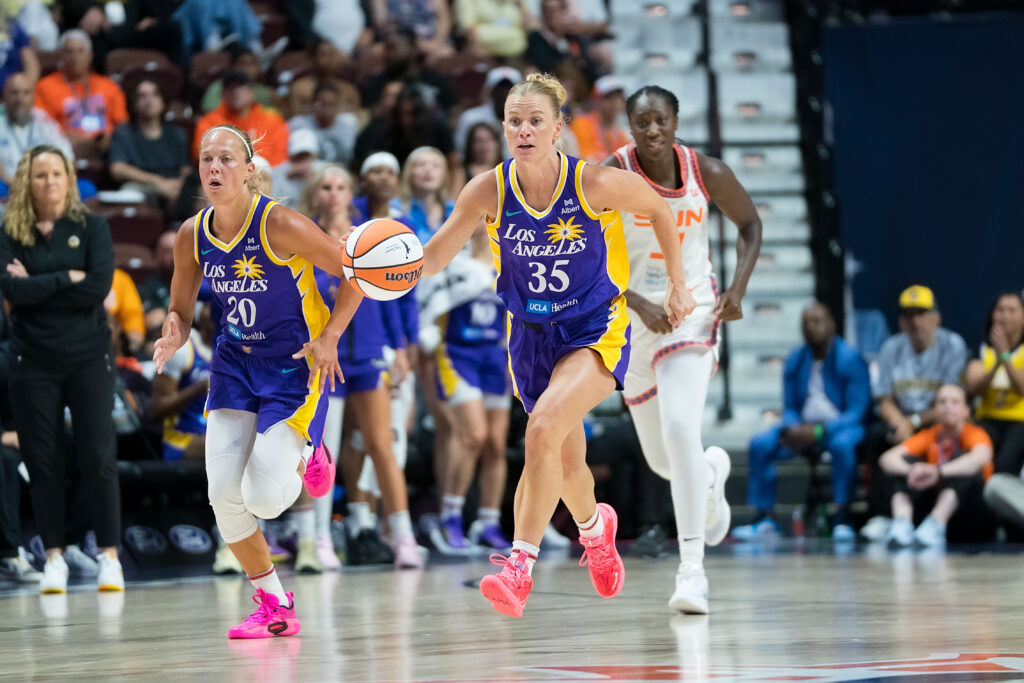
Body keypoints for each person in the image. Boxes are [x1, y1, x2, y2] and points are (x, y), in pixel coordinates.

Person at [417, 72, 693, 618]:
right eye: (514, 121)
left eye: (535, 121)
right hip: (530, 338)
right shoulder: (487, 189)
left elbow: (661, 209)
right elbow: (432, 259)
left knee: (540, 428)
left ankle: (519, 567)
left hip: (593, 329)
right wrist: (371, 265)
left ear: (557, 129)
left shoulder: (591, 182)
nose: (524, 130)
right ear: (502, 128)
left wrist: (677, 285)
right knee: (566, 466)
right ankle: (596, 530)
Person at [152, 124, 357, 639]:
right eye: (206, 160)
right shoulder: (190, 234)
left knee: (264, 499)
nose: (215, 168)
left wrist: (331, 335)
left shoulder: (282, 225)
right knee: (223, 492)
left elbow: (356, 272)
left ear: (249, 171)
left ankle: (314, 453)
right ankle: (273, 601)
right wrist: (174, 327)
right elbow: (179, 303)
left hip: (295, 367)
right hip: (234, 364)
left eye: (226, 159)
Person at [604, 84, 762, 613]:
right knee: (666, 459)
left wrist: (736, 290)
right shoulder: (611, 174)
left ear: (676, 121)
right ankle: (711, 475)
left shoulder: (706, 172)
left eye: (660, 120)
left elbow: (750, 226)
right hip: (632, 322)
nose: (652, 131)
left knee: (679, 430)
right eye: (642, 122)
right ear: (629, 127)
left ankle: (691, 571)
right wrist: (632, 300)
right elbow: (584, 254)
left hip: (690, 313)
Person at [0, 144, 123, 594]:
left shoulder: (93, 227)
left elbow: (97, 287)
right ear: (26, 183)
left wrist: (37, 285)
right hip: (32, 360)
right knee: (42, 459)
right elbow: (10, 288)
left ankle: (110, 556)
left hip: (89, 355)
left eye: (56, 173)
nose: (49, 181)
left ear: (68, 179)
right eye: (40, 175)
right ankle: (54, 555)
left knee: (97, 455)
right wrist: (62, 279)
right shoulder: (10, 233)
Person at [304, 163, 424, 570]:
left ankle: (404, 536)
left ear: (350, 190)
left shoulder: (370, 234)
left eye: (340, 186)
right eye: (326, 186)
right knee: (324, 450)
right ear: (316, 193)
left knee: (382, 445)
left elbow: (390, 291)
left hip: (370, 347)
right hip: (326, 354)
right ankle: (320, 538)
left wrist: (401, 347)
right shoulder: (306, 235)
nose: (334, 193)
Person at [732, 303, 870, 540]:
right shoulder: (795, 359)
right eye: (806, 322)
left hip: (838, 427)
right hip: (803, 426)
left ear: (831, 325)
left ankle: (842, 515)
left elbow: (857, 411)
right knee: (760, 444)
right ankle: (765, 518)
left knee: (842, 446)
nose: (811, 327)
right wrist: (791, 427)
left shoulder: (850, 358)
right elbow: (791, 407)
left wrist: (819, 430)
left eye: (817, 321)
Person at [426, 223, 513, 555]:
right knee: (473, 435)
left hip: (496, 357)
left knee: (495, 444)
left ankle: (487, 522)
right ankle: (449, 518)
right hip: (459, 354)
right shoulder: (455, 263)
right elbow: (431, 307)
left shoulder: (510, 262)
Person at [861, 285, 969, 540]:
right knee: (876, 435)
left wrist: (916, 421)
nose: (914, 321)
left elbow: (952, 398)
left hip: (939, 420)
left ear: (936, 317)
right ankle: (884, 515)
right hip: (904, 419)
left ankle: (937, 517)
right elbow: (884, 398)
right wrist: (900, 421)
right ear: (899, 320)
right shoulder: (891, 348)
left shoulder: (952, 345)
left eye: (921, 313)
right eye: (908, 314)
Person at [879, 384, 993, 547]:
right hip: (931, 508)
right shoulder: (931, 434)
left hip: (972, 513)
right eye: (942, 402)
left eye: (954, 402)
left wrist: (938, 472)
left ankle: (936, 524)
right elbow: (887, 458)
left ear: (966, 410)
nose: (948, 406)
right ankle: (901, 524)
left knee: (962, 462)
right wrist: (912, 470)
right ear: (935, 410)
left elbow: (981, 458)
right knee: (908, 464)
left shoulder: (975, 433)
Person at [33, 30, 127, 158]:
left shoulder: (109, 86)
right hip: (63, 148)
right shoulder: (44, 86)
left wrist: (107, 138)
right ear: (60, 55)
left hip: (106, 150)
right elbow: (41, 127)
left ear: (90, 56)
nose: (75, 57)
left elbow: (122, 124)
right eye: (69, 51)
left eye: (81, 51)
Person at [109, 78, 191, 217]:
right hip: (142, 185)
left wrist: (179, 185)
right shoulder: (124, 132)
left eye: (155, 95)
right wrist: (157, 182)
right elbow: (117, 169)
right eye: (142, 96)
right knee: (129, 191)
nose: (149, 100)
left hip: (174, 185)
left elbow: (185, 169)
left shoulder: (177, 133)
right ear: (133, 103)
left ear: (163, 102)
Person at [965, 292, 1024, 477]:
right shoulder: (982, 349)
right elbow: (973, 389)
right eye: (1000, 310)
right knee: (977, 459)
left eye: (1012, 310)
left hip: (1019, 420)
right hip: (987, 418)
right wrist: (996, 363)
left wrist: (1005, 357)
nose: (1005, 315)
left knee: (1005, 463)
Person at [193, 72, 290, 166]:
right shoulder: (210, 122)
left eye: (240, 86)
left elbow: (282, 156)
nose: (235, 92)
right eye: (229, 88)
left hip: (267, 175)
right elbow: (203, 155)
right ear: (223, 94)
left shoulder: (271, 119)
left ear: (251, 92)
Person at [0, 73, 73, 193]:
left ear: (33, 96)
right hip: (7, 184)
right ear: (4, 95)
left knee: (86, 187)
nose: (20, 98)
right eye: (14, 93)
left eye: (26, 93)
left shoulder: (44, 119)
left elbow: (67, 158)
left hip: (45, 184)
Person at [288, 81, 359, 166]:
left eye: (331, 104)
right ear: (312, 103)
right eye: (321, 104)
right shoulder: (298, 125)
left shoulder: (349, 129)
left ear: (338, 105)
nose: (326, 109)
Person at [571, 76, 629, 164]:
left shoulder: (620, 131)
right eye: (608, 98)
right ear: (596, 100)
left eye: (618, 97)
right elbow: (584, 162)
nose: (615, 102)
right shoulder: (582, 124)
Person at [270, 128, 326, 210]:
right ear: (291, 156)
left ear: (315, 155)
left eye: (307, 155)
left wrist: (315, 180)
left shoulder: (324, 171)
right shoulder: (278, 173)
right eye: (299, 156)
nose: (303, 161)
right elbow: (274, 204)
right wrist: (287, 176)